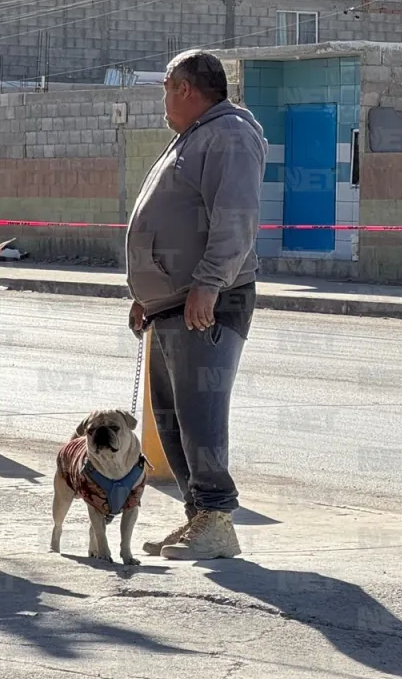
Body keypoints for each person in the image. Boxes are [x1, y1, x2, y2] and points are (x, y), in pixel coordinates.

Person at [126, 49, 268, 561]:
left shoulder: (228, 134)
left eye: (165, 88)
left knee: (199, 414)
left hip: (207, 301)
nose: (163, 99)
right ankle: (199, 521)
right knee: (173, 420)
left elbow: (235, 218)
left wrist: (208, 283)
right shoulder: (193, 137)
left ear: (183, 88)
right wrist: (144, 296)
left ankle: (216, 518)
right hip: (170, 303)